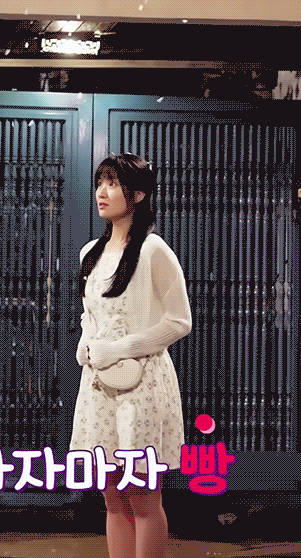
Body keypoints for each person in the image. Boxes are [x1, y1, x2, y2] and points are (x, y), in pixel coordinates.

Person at [70, 153, 192, 558]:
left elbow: (179, 321)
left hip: (143, 386)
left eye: (112, 183)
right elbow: (91, 314)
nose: (101, 192)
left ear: (137, 194)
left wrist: (120, 348)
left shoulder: (153, 249)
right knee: (111, 498)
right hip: (99, 385)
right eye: (99, 182)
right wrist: (86, 343)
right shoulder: (91, 252)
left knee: (143, 498)